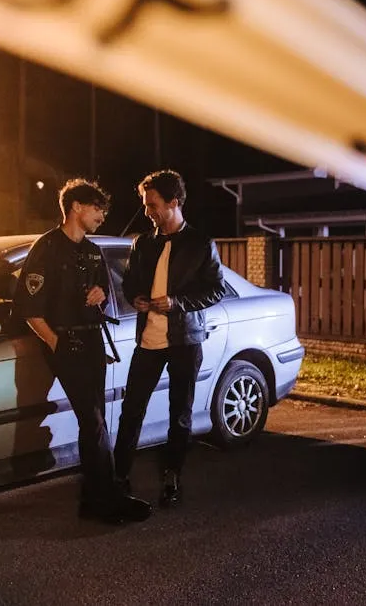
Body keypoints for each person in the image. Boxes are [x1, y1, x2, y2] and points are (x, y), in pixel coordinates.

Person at [16, 178, 151, 524]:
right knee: (92, 420)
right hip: (66, 342)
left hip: (93, 340)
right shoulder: (46, 248)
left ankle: (95, 499)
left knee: (96, 421)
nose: (102, 216)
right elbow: (30, 308)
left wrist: (99, 294)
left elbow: (104, 288)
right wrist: (57, 343)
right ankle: (107, 500)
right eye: (97, 209)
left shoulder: (92, 250)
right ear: (76, 207)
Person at [114, 170, 226, 507]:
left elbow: (217, 289)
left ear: (174, 203)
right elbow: (129, 282)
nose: (148, 211)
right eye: (146, 205)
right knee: (131, 409)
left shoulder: (200, 244)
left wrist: (178, 303)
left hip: (184, 340)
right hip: (148, 339)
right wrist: (134, 297)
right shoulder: (143, 243)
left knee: (181, 413)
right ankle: (119, 476)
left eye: (153, 205)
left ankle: (172, 476)